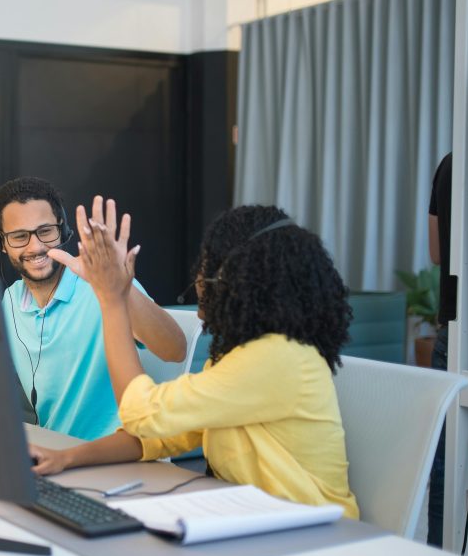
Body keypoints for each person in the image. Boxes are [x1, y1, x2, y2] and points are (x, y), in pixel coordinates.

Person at [31, 204, 359, 518]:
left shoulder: (277, 356)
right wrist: (66, 458)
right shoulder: (240, 357)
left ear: (245, 280)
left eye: (208, 265)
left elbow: (141, 414)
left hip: (311, 535)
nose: (199, 278)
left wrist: (112, 299)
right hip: (256, 518)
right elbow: (159, 435)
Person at [0, 177, 185, 441]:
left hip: (125, 456)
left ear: (63, 231)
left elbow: (175, 350)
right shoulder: (10, 303)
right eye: (19, 237)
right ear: (2, 243)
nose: (35, 246)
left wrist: (118, 288)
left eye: (45, 231)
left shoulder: (103, 283)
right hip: (60, 455)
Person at [427, 153, 456, 548]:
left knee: (445, 465)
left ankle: (438, 555)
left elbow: (436, 253)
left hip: (455, 323)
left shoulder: (451, 162)